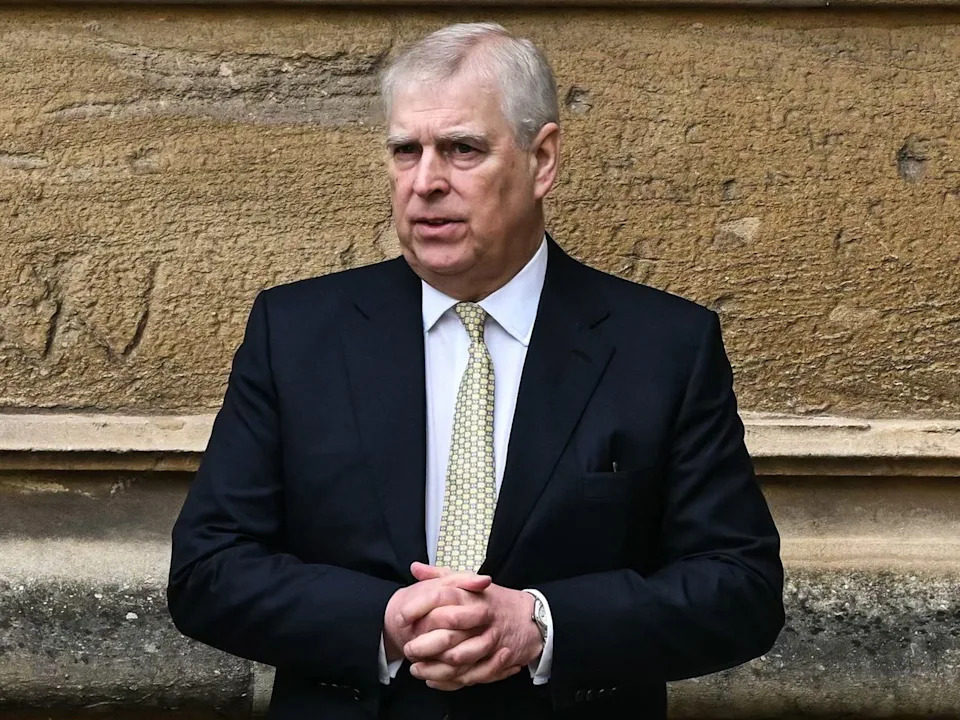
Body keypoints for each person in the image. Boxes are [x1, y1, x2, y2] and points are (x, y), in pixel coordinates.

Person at [168, 22, 784, 720]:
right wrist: (382, 621)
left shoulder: (663, 346)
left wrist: (541, 625)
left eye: (462, 149)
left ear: (541, 160)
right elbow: (207, 569)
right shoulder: (297, 333)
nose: (426, 182)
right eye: (406, 150)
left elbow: (741, 588)